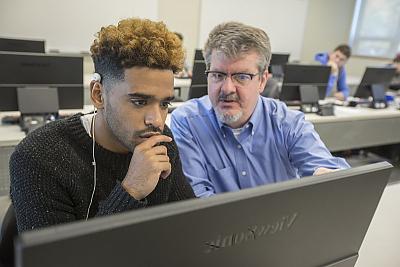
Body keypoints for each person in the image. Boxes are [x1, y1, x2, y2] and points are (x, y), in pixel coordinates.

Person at [10, 18, 195, 232]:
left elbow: (189, 228)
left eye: (164, 104)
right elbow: (59, 258)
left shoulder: (161, 142)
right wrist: (131, 190)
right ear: (98, 95)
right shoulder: (39, 157)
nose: (156, 120)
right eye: (139, 102)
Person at [170, 22, 349, 198]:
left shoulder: (287, 122)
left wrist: (327, 177)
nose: (227, 89)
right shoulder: (187, 121)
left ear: (262, 81)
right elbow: (196, 199)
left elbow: (328, 170)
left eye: (242, 77)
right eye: (218, 75)